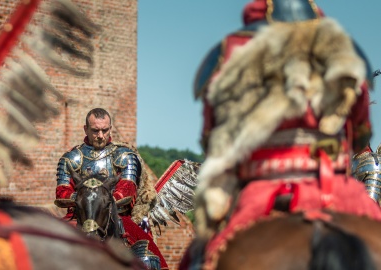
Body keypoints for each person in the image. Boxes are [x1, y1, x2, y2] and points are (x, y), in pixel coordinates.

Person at [182, 0, 381, 269]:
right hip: (338, 191)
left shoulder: (230, 50)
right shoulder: (343, 48)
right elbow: (360, 133)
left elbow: (211, 137)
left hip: (260, 193)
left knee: (199, 258)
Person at [54, 108, 168, 269]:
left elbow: (127, 187)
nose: (100, 135)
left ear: (110, 129)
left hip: (117, 216)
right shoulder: (71, 158)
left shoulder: (124, 156)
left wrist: (104, 201)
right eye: (95, 130)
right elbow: (61, 192)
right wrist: (84, 200)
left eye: (104, 130)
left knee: (148, 257)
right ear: (85, 129)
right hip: (78, 216)